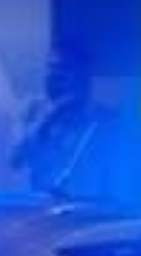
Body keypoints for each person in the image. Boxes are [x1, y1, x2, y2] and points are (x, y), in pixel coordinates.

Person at [10, 42, 124, 199]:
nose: (53, 73)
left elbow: (118, 175)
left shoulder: (104, 118)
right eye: (50, 67)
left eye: (62, 68)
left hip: (86, 205)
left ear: (81, 75)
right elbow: (15, 161)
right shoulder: (31, 109)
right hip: (41, 203)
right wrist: (48, 118)